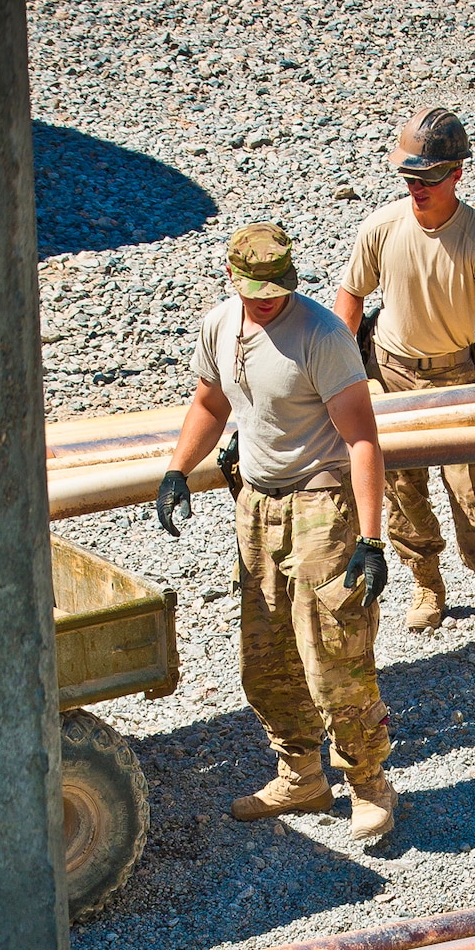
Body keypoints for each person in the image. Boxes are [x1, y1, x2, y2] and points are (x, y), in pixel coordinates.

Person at [157, 223, 397, 842]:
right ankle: (301, 775)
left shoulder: (322, 335)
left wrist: (370, 539)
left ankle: (368, 783)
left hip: (320, 496)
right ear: (232, 278)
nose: (268, 298)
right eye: (254, 288)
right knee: (266, 651)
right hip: (257, 502)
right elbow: (210, 404)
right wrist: (178, 470)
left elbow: (362, 439)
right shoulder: (220, 327)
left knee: (332, 648)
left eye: (277, 287)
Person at [334, 107, 475, 639]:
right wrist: (336, 380)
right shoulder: (381, 227)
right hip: (392, 370)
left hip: (455, 375)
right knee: (402, 489)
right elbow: (351, 300)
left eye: (427, 177)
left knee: (472, 489)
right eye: (408, 177)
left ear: (456, 174)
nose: (416, 187)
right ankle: (428, 584)